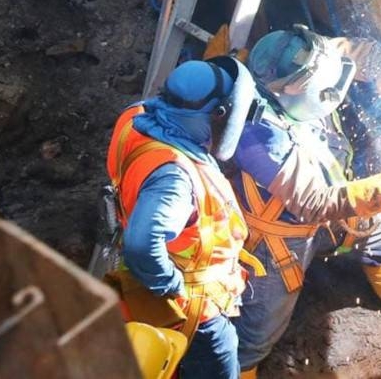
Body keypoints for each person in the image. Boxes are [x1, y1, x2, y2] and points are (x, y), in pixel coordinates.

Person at [225, 25, 381, 378]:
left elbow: (362, 54)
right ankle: (239, 368)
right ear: (292, 94)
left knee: (377, 234)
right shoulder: (259, 136)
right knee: (256, 331)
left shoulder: (312, 55)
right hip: (279, 236)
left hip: (331, 208)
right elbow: (314, 202)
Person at [105, 59, 264, 379]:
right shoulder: (175, 177)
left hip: (139, 290)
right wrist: (174, 287)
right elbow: (142, 245)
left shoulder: (136, 118)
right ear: (218, 114)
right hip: (194, 310)